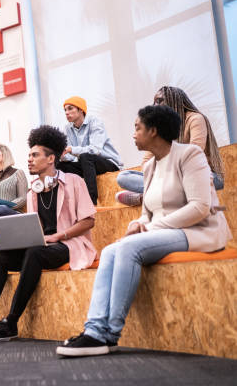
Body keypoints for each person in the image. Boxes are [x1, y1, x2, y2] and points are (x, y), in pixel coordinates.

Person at [57, 104, 231, 357]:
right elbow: (147, 212)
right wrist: (136, 224)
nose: (133, 134)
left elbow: (200, 207)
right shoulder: (149, 167)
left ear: (154, 131)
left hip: (197, 231)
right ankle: (94, 330)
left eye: (137, 128)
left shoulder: (190, 155)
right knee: (109, 251)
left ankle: (110, 333)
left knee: (127, 249)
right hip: (162, 231)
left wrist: (148, 227)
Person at [0, 126, 96, 344]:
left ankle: (11, 322)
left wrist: (59, 236)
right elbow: (34, 226)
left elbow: (88, 221)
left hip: (69, 244)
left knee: (35, 252)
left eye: (34, 155)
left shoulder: (74, 181)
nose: (29, 159)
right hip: (41, 245)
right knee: (0, 256)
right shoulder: (34, 190)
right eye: (28, 155)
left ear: (51, 159)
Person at [116, 86, 225, 206]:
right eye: (154, 102)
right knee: (123, 177)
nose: (155, 106)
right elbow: (146, 164)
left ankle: (144, 197)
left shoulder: (195, 119)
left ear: (174, 101)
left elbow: (194, 156)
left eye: (159, 101)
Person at [56, 96, 122, 205]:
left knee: (85, 157)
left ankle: (91, 202)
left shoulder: (95, 122)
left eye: (70, 108)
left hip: (108, 163)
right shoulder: (67, 128)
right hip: (86, 165)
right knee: (59, 165)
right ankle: (68, 203)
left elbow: (95, 150)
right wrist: (61, 155)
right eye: (65, 110)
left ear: (81, 109)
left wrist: (71, 149)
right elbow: (71, 156)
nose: (67, 113)